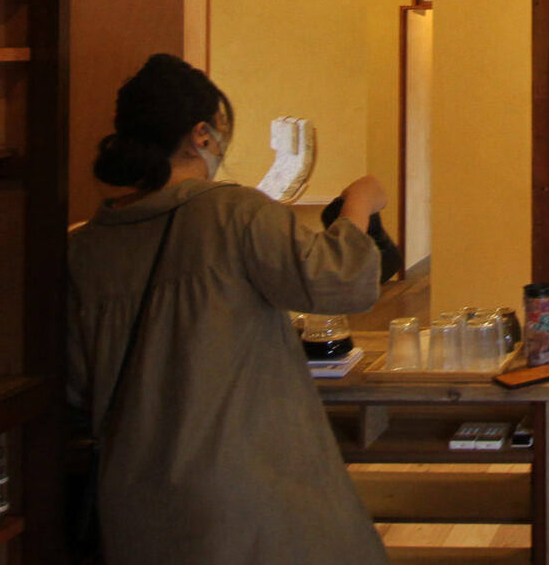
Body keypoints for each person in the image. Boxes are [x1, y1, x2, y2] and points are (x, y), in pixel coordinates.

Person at [69, 53, 391, 565]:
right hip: (247, 499)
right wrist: (360, 203)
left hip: (136, 503)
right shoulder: (233, 213)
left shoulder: (84, 248)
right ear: (202, 134)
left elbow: (75, 386)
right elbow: (343, 282)